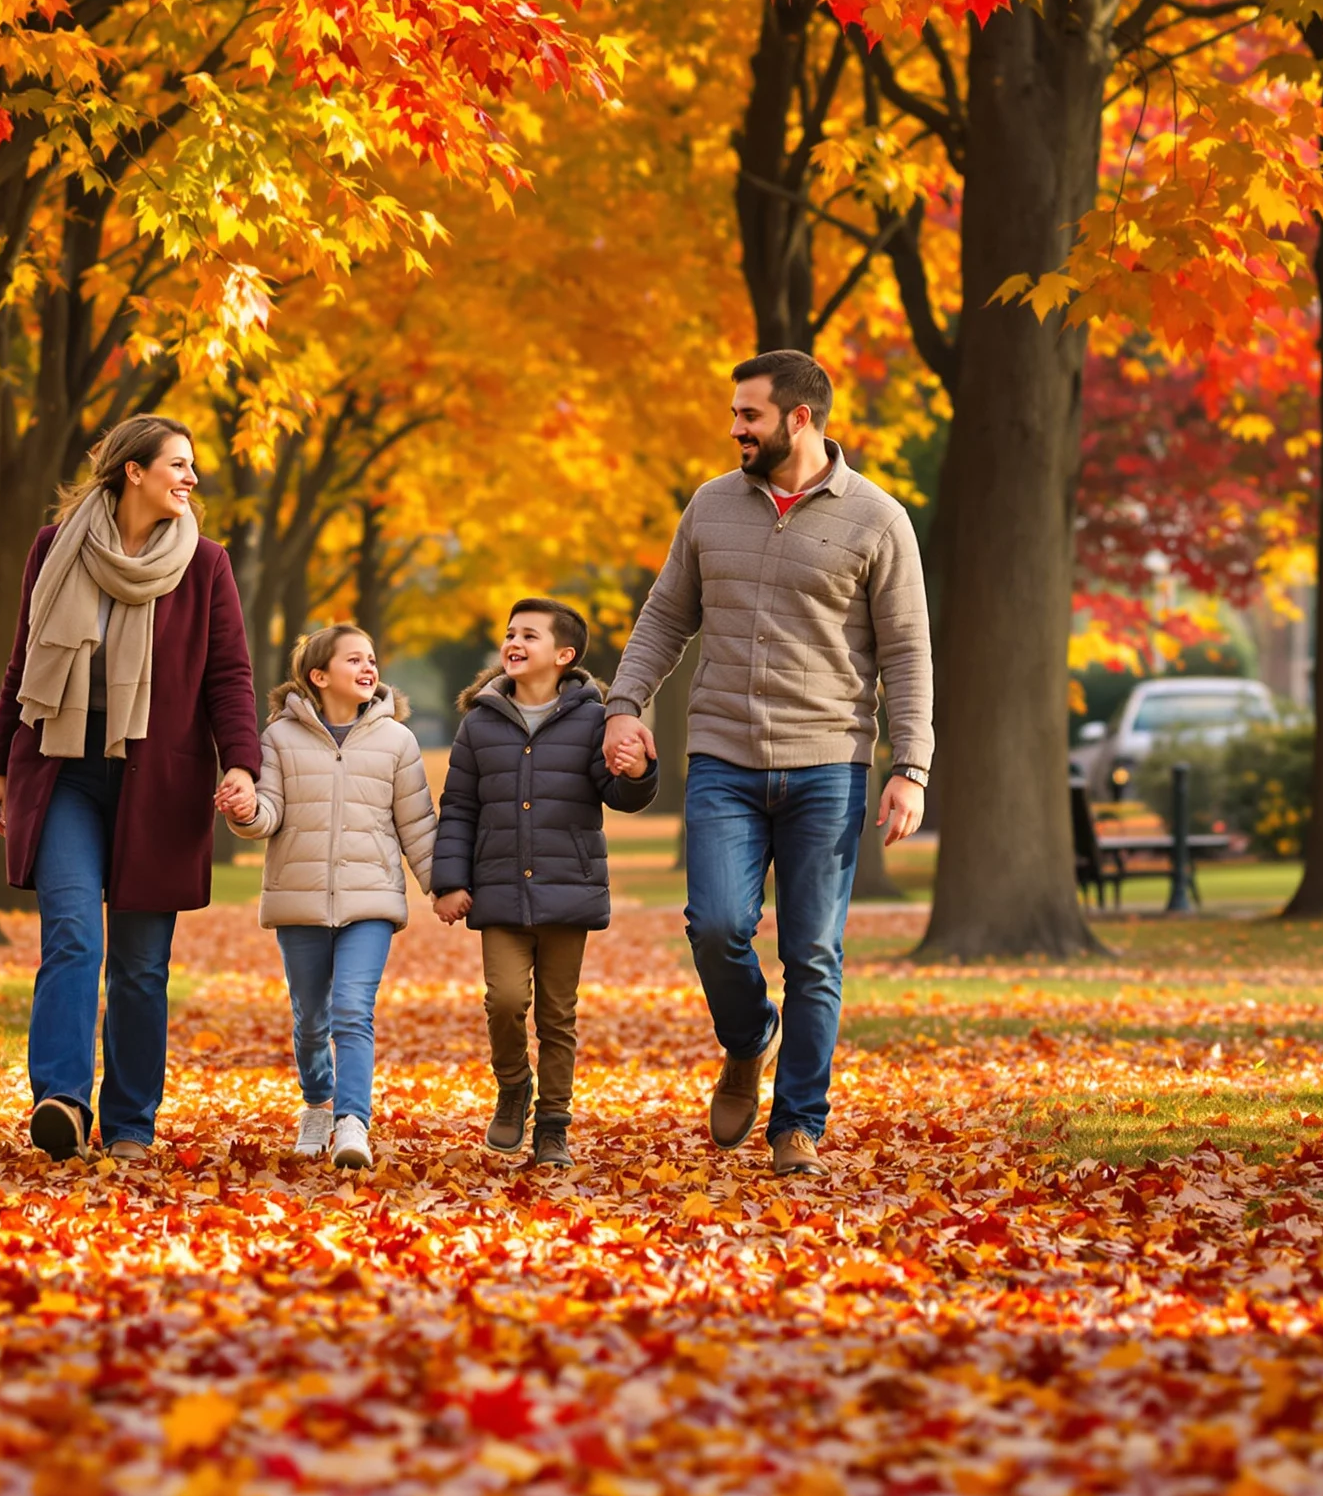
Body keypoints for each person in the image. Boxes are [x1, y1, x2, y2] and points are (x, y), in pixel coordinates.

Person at [603, 350, 932, 1179]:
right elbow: (663, 618)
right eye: (735, 414)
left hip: (829, 765)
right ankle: (750, 1037)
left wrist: (911, 766)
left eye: (748, 415)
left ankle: (798, 1125)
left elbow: (907, 652)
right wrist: (624, 704)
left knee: (814, 954)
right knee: (716, 926)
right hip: (724, 756)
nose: (735, 428)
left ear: (799, 418)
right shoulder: (711, 505)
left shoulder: (878, 519)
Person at [0, 416, 262, 1164]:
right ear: (133, 470)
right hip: (63, 767)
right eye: (178, 464)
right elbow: (23, 660)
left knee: (139, 964)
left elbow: (228, 676)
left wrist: (241, 763)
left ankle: (132, 1122)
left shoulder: (204, 565)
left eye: (193, 466)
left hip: (158, 780)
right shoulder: (56, 547)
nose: (191, 478)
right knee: (72, 937)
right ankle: (63, 1103)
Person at [431, 598, 659, 1168]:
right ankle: (513, 1087)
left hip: (566, 889)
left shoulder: (594, 720)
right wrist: (449, 881)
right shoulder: (479, 722)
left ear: (564, 654)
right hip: (498, 888)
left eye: (529, 635)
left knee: (558, 1016)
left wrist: (638, 772)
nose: (514, 643)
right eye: (511, 633)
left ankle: (554, 1124)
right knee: (505, 1001)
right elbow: (459, 807)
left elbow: (620, 794)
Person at [228, 624, 437, 1171]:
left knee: (352, 1010)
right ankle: (318, 1105)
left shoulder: (397, 741)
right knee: (310, 1019)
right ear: (318, 676)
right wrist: (246, 812)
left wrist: (442, 886)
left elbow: (417, 825)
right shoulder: (279, 738)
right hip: (300, 901)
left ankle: (352, 1122)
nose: (369, 668)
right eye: (354, 660)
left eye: (372, 659)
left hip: (371, 902)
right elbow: (268, 813)